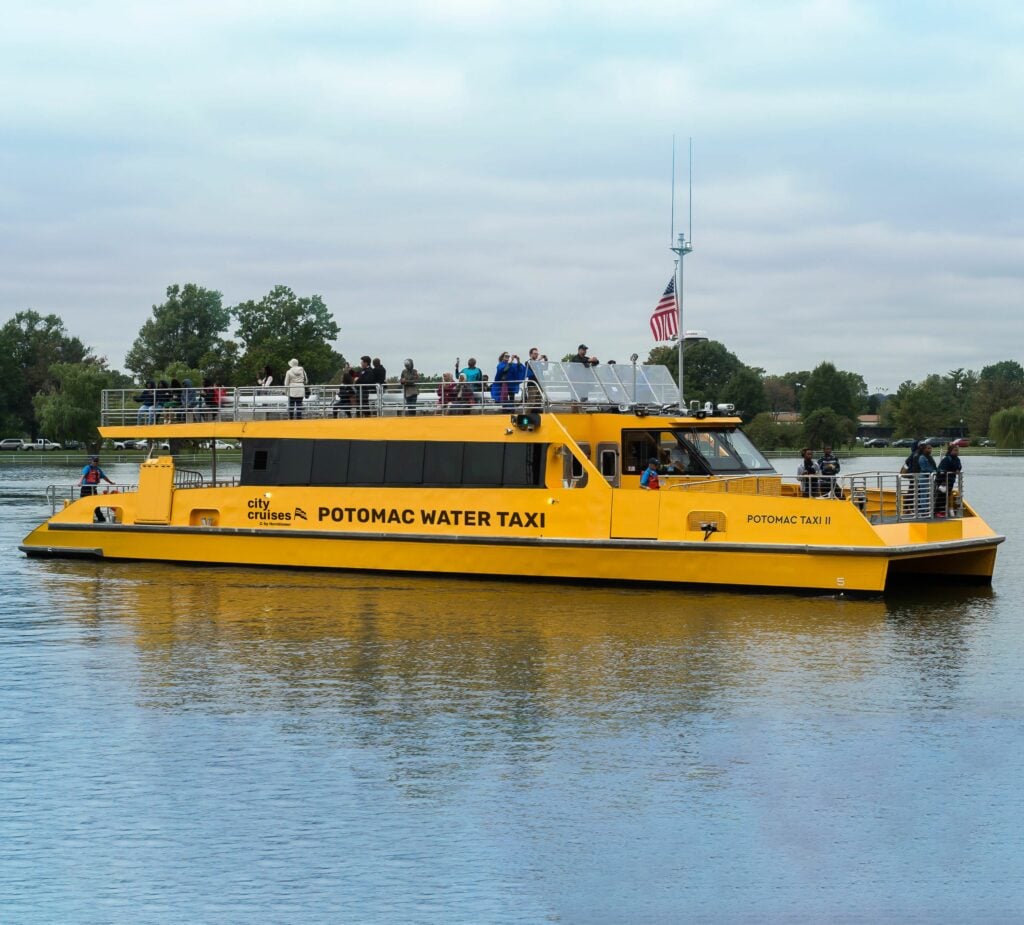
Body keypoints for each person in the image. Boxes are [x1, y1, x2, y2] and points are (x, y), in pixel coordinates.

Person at [79, 456, 115, 522]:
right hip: (86, 489)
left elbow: (104, 477)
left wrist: (111, 482)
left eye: (96, 461)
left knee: (96, 504)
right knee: (85, 504)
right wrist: (80, 482)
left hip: (93, 489)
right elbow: (83, 475)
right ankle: (84, 518)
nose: (95, 462)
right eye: (94, 461)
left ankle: (101, 519)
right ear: (91, 461)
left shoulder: (98, 469)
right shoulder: (87, 468)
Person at [936, 443, 963, 517]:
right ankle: (937, 511)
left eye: (957, 450)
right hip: (943, 481)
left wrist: (957, 469)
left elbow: (959, 466)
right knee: (941, 496)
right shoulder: (946, 459)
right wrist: (943, 480)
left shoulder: (957, 459)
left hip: (951, 480)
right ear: (950, 451)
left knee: (946, 496)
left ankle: (943, 511)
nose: (957, 452)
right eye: (955, 450)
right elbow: (941, 470)